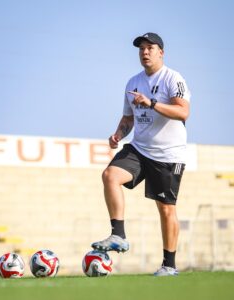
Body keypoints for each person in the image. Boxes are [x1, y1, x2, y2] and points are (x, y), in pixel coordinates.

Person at [91, 32, 190, 276]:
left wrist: (152, 104)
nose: (144, 52)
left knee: (166, 209)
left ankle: (169, 265)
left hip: (168, 155)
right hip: (139, 148)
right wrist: (118, 134)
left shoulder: (173, 78)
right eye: (141, 49)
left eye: (150, 48)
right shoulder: (132, 82)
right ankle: (118, 235)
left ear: (161, 52)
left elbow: (183, 112)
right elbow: (128, 117)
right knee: (110, 175)